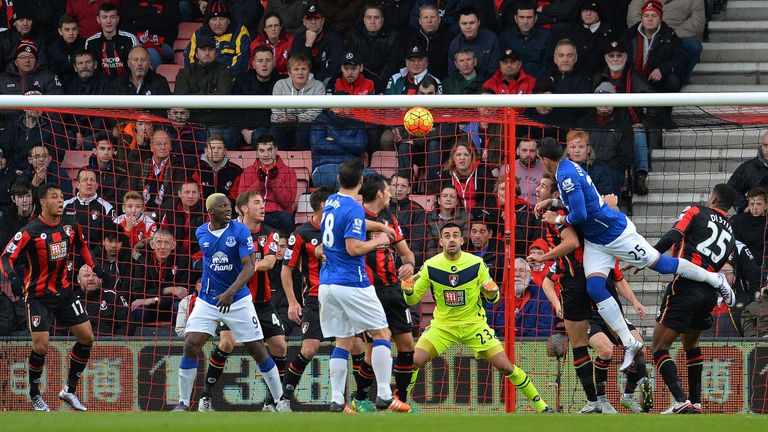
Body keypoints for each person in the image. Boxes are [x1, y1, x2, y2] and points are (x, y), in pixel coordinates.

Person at [535, 137, 735, 372]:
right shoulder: (567, 169)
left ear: (546, 160)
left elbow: (578, 214)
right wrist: (554, 200)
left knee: (661, 264)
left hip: (614, 234)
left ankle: (715, 279)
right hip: (597, 241)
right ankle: (629, 342)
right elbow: (585, 199)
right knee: (596, 288)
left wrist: (556, 217)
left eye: (541, 160)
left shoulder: (566, 175)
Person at [404, 222, 553, 413]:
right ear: (440, 241)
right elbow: (413, 298)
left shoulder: (476, 264)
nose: (451, 239)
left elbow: (494, 296)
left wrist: (491, 293)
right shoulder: (431, 266)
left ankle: (543, 407)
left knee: (506, 367)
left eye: (455, 235)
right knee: (414, 361)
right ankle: (403, 404)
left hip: (474, 326)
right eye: (447, 236)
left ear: (462, 240)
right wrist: (408, 292)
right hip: (443, 327)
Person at [1, 183, 109, 411]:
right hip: (38, 296)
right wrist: (13, 278)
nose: (60, 201)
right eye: (54, 197)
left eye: (61, 197)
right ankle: (34, 395)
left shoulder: (70, 225)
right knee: (41, 347)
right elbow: (5, 258)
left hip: (64, 292)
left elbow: (83, 246)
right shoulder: (30, 231)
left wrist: (95, 267)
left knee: (87, 338)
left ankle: (69, 390)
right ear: (43, 202)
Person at [173, 193, 284, 411]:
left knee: (258, 350)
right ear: (210, 211)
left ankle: (280, 401)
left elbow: (250, 266)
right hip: (208, 300)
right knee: (190, 345)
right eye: (222, 206)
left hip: (238, 299)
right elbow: (209, 262)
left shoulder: (240, 231)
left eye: (229, 205)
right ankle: (184, 403)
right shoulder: (201, 232)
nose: (228, 209)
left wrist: (230, 292)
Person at [318, 159, 410, 413]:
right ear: (360, 183)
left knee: (342, 342)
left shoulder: (332, 204)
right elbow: (354, 247)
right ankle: (383, 395)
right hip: (353, 282)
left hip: (328, 284)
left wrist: (379, 224)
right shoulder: (354, 208)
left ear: (339, 180)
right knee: (382, 334)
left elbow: (352, 222)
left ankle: (337, 400)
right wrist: (378, 240)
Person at [650, 183, 738, 414]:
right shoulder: (730, 230)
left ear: (712, 198)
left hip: (686, 286)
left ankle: (681, 401)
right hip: (709, 291)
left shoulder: (696, 211)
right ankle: (696, 402)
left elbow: (674, 234)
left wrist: (650, 255)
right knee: (691, 344)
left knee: (659, 347)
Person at [359, 174, 417, 406]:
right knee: (372, 351)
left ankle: (400, 400)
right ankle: (361, 399)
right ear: (380, 193)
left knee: (407, 346)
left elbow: (406, 253)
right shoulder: (355, 217)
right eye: (388, 189)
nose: (392, 193)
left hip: (392, 290)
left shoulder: (389, 217)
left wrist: (409, 265)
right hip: (368, 292)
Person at [278, 187, 335, 405]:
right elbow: (286, 270)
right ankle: (284, 399)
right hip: (315, 298)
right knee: (309, 349)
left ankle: (354, 400)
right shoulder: (301, 234)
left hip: (340, 297)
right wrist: (293, 302)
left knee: (354, 346)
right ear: (323, 206)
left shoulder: (340, 230)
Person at [235, 190, 288, 410]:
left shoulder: (271, 233)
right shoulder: (233, 232)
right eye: (257, 203)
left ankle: (271, 401)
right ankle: (205, 398)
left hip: (262, 301)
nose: (263, 206)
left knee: (280, 346)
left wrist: (249, 268)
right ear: (244, 208)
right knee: (226, 343)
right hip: (235, 301)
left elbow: (269, 262)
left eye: (263, 202)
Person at [627, 0, 704, 85]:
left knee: (693, 45)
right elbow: (633, 16)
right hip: (647, 32)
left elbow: (697, 21)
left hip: (678, 35)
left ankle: (681, 80)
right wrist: (651, 29)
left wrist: (668, 34)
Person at [175, 33, 234, 145]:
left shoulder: (224, 72)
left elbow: (222, 101)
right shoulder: (185, 73)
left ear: (216, 53)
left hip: (215, 123)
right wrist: (211, 96)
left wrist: (194, 99)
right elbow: (181, 102)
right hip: (191, 123)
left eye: (210, 49)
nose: (207, 53)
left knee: (215, 147)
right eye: (203, 49)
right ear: (196, 53)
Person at [234, 135, 298, 236]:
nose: (266, 154)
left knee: (286, 218)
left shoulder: (289, 172)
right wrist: (259, 182)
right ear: (257, 152)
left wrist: (273, 181)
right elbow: (242, 200)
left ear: (276, 150)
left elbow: (287, 202)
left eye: (269, 150)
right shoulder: (248, 172)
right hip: (253, 214)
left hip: (277, 214)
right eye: (262, 151)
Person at [620, 0, 686, 94]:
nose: (649, 19)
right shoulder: (630, 34)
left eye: (654, 15)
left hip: (656, 79)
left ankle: (663, 108)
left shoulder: (669, 35)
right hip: (633, 78)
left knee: (673, 80)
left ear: (660, 18)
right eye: (646, 16)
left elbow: (680, 58)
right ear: (641, 18)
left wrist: (661, 69)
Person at [271, 54, 325, 150]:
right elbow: (275, 110)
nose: (300, 72)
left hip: (306, 126)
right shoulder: (279, 85)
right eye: (296, 69)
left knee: (303, 132)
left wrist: (296, 118)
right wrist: (282, 118)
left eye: (304, 69)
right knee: (274, 132)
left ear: (309, 72)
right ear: (289, 73)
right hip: (283, 125)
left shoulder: (318, 86)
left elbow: (316, 112)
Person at [345, 3, 401, 93]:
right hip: (360, 83)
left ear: (382, 20)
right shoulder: (355, 36)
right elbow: (352, 63)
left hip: (385, 83)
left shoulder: (393, 37)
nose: (372, 21)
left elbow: (392, 65)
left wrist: (377, 82)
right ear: (364, 20)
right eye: (369, 17)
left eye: (376, 18)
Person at [185, 0, 250, 76]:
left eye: (222, 19)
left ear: (229, 21)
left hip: (230, 81)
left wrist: (222, 78)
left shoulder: (239, 32)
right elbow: (190, 60)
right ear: (208, 22)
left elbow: (242, 62)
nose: (218, 23)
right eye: (214, 19)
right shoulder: (199, 34)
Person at [233, 45, 281, 146]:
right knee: (228, 136)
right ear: (253, 64)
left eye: (268, 60)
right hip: (242, 126)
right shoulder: (242, 79)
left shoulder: (281, 82)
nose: (264, 64)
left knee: (259, 136)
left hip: (266, 127)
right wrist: (244, 130)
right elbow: (234, 109)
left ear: (274, 63)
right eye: (260, 61)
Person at [290, 1, 343, 84]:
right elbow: (296, 66)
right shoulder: (299, 39)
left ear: (322, 20)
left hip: (325, 81)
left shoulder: (334, 39)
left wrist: (314, 80)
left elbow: (334, 69)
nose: (313, 22)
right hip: (303, 80)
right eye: (309, 18)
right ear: (304, 21)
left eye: (317, 18)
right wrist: (308, 45)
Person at [499, 1, 554, 80]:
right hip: (513, 83)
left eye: (529, 17)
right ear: (515, 18)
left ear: (535, 18)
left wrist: (533, 82)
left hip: (538, 83)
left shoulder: (547, 36)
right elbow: (503, 65)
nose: (525, 22)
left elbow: (548, 65)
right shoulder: (505, 37)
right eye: (521, 17)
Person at [558, 1, 615, 76]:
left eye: (592, 11)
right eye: (585, 10)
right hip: (570, 77)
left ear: (599, 14)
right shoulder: (570, 32)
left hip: (596, 80)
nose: (588, 13)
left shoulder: (608, 34)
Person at [84, 2, 139, 79]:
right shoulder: (90, 42)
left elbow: (137, 67)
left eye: (112, 17)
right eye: (104, 17)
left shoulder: (130, 39)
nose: (108, 21)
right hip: (102, 87)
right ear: (98, 19)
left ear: (117, 19)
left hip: (126, 85)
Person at [121, 0, 181, 69]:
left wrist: (137, 21)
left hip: (162, 41)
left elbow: (170, 20)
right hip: (135, 41)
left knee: (150, 54)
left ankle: (154, 79)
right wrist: (154, 10)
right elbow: (126, 15)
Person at [63, 168, 115, 244]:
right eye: (85, 180)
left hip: (95, 253)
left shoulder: (107, 208)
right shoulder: (65, 205)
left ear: (97, 185)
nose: (89, 183)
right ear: (77, 184)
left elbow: (110, 237)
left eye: (92, 180)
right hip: (69, 251)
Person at [400, 4, 452, 80]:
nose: (429, 21)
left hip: (440, 81)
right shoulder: (409, 38)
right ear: (420, 21)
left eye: (432, 17)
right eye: (425, 17)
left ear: (439, 20)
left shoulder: (449, 39)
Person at [447, 6, 500, 78]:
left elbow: (494, 71)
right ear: (459, 24)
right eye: (464, 23)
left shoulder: (491, 39)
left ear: (478, 22)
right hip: (463, 87)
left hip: (487, 85)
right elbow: (453, 73)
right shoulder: (455, 44)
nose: (468, 27)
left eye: (472, 23)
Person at [77, 263, 129, 337]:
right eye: (87, 275)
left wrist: (115, 344)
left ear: (101, 278)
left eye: (95, 275)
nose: (91, 278)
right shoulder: (70, 300)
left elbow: (127, 325)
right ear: (79, 279)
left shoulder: (113, 297)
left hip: (108, 345)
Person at [160, 181, 206, 258]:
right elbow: (164, 234)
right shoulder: (170, 212)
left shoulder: (207, 213)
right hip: (174, 254)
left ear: (199, 194)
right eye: (187, 192)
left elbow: (210, 241)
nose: (191, 196)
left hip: (199, 256)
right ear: (179, 194)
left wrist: (194, 258)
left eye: (194, 192)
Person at [388, 174, 426, 267]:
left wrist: (403, 252)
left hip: (407, 252)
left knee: (417, 255)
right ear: (389, 187)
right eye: (396, 185)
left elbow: (418, 241)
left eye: (403, 186)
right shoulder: (381, 207)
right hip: (385, 250)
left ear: (409, 190)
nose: (399, 189)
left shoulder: (418, 210)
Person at [727, 132, 768, 212]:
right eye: (765, 145)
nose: (767, 150)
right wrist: (744, 206)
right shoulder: (750, 168)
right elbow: (732, 188)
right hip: (757, 218)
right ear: (761, 146)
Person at [194, 135, 243, 200]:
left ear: (225, 151)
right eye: (212, 148)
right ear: (206, 151)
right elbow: (196, 195)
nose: (216, 151)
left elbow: (235, 197)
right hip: (203, 208)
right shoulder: (197, 168)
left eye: (219, 148)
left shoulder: (236, 170)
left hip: (227, 208)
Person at [425, 185, 469, 256]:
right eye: (445, 196)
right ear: (439, 200)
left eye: (452, 196)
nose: (448, 199)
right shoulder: (429, 219)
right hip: (437, 260)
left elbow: (464, 243)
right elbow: (430, 246)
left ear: (457, 201)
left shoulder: (466, 217)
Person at [730, 186, 767, 266]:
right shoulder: (736, 221)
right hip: (741, 266)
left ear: (766, 205)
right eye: (752, 204)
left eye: (759, 204)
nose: (755, 207)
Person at [249, 12, 294, 76]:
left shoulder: (290, 41)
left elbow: (295, 65)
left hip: (285, 78)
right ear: (264, 28)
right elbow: (252, 67)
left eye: (276, 25)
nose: (273, 29)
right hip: (264, 79)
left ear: (280, 27)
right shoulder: (256, 44)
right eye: (270, 26)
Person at [48, 14, 85, 89]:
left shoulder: (85, 45)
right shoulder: (53, 47)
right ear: (60, 31)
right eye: (67, 30)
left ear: (78, 30)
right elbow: (52, 72)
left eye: (74, 29)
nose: (71, 33)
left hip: (82, 85)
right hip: (59, 86)